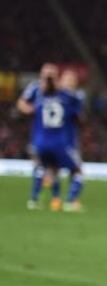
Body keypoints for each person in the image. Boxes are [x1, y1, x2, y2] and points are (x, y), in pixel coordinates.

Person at [17, 64, 85, 212]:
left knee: (46, 169)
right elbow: (80, 114)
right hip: (60, 141)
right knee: (74, 170)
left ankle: (42, 199)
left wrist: (31, 109)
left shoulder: (41, 93)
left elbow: (22, 104)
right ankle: (70, 200)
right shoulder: (66, 95)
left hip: (41, 139)